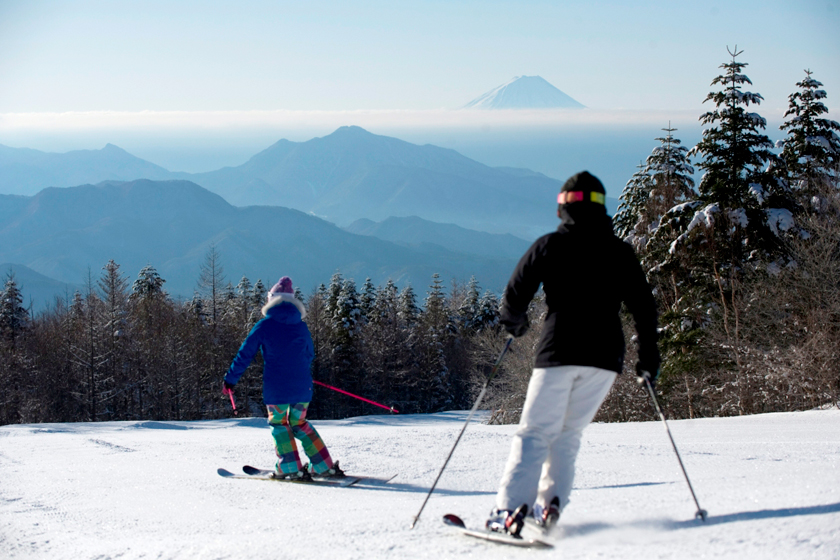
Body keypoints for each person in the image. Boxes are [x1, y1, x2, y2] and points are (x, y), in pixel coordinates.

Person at [487, 171, 660, 536]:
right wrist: (648, 357)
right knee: (568, 435)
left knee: (535, 433)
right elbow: (644, 308)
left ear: (562, 208)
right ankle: (549, 507)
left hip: (559, 349)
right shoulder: (621, 252)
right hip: (605, 356)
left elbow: (516, 294)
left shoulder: (550, 246)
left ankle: (509, 511)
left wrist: (514, 324)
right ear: (601, 207)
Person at [222, 276, 344, 481]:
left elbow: (245, 354)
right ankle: (324, 466)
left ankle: (289, 467)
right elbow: (309, 355)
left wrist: (230, 380)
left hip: (277, 390)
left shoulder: (264, 326)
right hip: (302, 387)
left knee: (279, 424)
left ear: (272, 300)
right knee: (299, 423)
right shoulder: (301, 326)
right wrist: (299, 373)